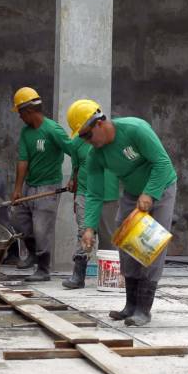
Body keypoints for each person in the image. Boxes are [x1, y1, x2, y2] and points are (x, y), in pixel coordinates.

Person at [74, 101, 177, 326]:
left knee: (150, 244)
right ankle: (130, 305)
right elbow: (93, 193)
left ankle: (143, 309)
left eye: (88, 135)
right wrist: (89, 228)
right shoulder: (96, 155)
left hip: (160, 187)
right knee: (125, 240)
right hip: (132, 193)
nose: (87, 142)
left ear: (100, 123)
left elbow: (162, 163)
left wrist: (150, 193)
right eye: (82, 138)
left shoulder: (135, 130)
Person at [10, 86, 72, 282]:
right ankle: (32, 257)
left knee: (41, 230)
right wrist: (18, 189)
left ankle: (43, 270)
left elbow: (75, 152)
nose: (19, 117)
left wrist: (75, 176)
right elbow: (23, 161)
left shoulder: (52, 130)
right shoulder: (26, 133)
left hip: (48, 187)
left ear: (28, 111)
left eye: (20, 113)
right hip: (30, 185)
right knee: (20, 222)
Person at [62, 99, 120, 290]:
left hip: (108, 194)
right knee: (83, 232)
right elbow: (77, 165)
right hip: (85, 193)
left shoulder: (111, 140)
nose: (85, 137)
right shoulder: (77, 143)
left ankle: (109, 277)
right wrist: (73, 179)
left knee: (108, 236)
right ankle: (78, 276)